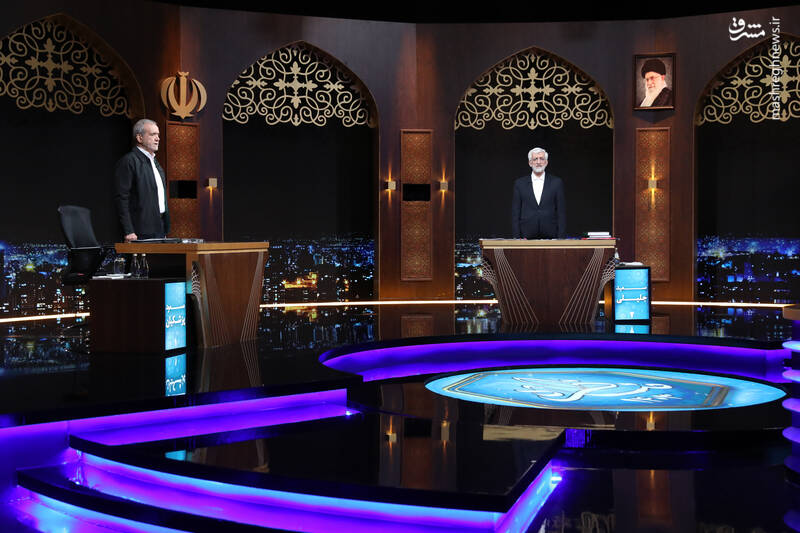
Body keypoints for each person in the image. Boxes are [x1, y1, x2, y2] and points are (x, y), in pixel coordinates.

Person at [114, 118, 169, 241]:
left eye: (158, 135)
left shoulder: (155, 163)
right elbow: (122, 199)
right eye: (153, 134)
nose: (157, 138)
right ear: (139, 138)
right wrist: (129, 231)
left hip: (159, 228)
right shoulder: (128, 161)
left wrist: (164, 229)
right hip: (139, 231)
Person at [511, 147, 566, 239]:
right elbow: (515, 213)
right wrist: (517, 238)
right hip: (526, 236)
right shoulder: (519, 183)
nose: (538, 162)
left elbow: (561, 213)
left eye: (541, 159)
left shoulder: (556, 182)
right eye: (535, 159)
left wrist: (561, 239)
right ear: (530, 163)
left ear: (546, 162)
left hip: (551, 236)